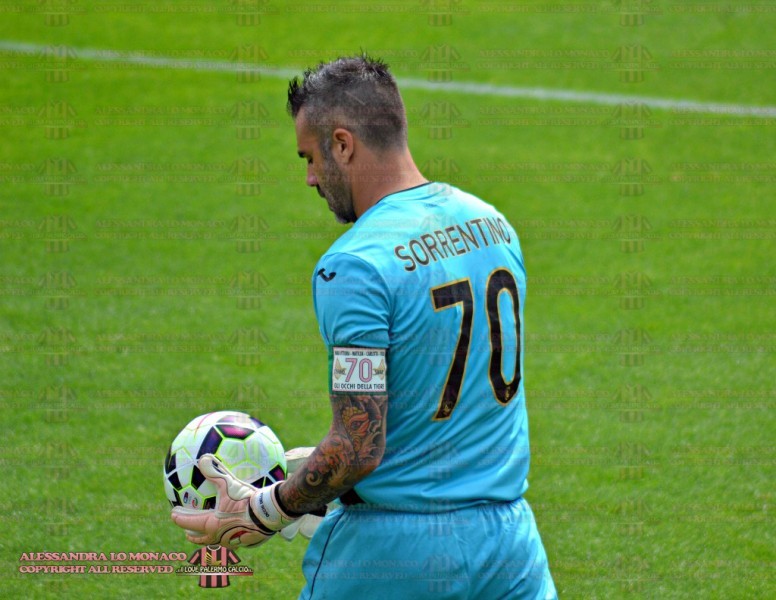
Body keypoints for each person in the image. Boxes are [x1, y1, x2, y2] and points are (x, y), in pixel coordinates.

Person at [172, 55, 557, 599]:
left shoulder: (354, 265)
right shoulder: (492, 225)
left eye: (310, 157)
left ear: (343, 144)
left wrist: (263, 509)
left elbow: (357, 447)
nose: (310, 177)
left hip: (395, 556)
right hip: (510, 549)